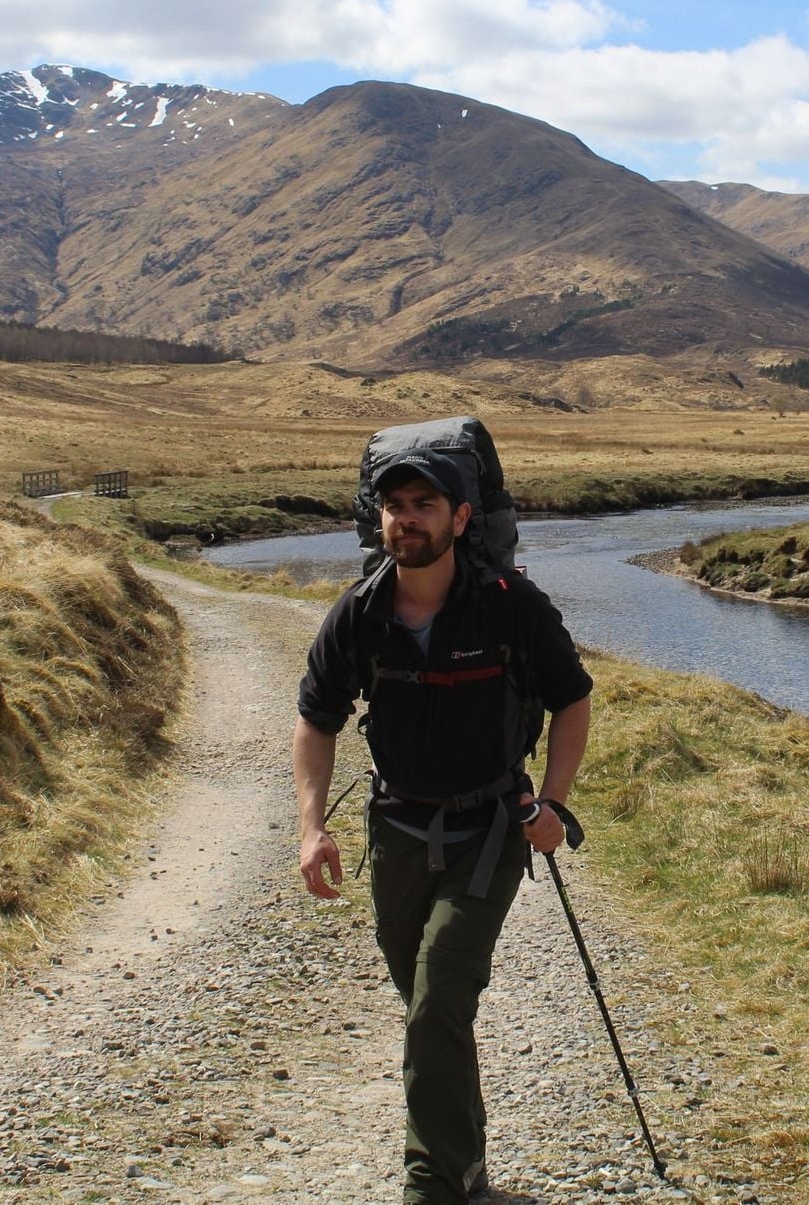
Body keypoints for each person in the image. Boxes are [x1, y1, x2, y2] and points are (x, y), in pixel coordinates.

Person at [293, 448, 593, 1205]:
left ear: (461, 519)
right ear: (379, 519)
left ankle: (432, 1189)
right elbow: (316, 721)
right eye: (395, 505)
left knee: (437, 1000)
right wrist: (309, 829)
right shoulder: (359, 612)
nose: (408, 519)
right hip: (396, 831)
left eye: (426, 504)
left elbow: (573, 700)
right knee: (429, 1008)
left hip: (491, 829)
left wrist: (552, 806)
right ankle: (467, 1170)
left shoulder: (509, 604)